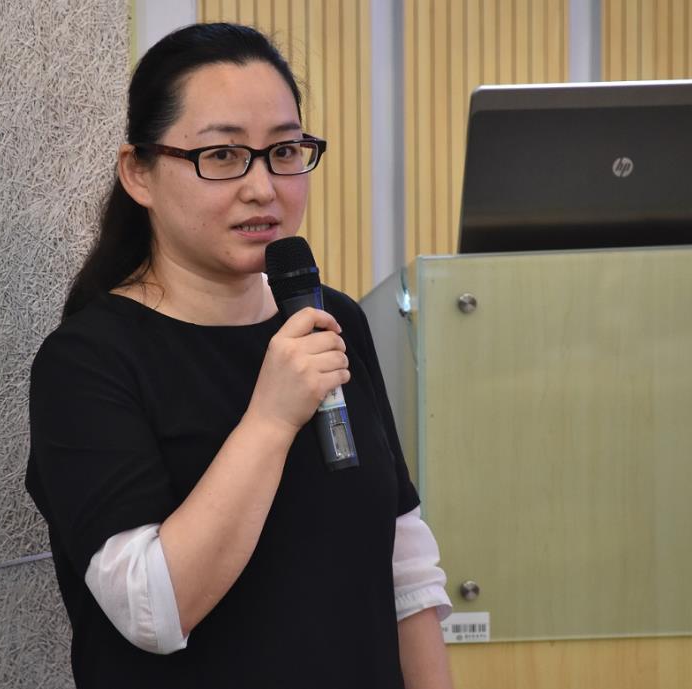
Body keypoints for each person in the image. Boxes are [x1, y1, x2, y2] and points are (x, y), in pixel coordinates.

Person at [27, 22, 453, 689]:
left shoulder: (331, 318)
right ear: (139, 172)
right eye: (223, 155)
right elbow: (154, 610)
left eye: (283, 151)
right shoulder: (87, 362)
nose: (263, 187)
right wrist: (271, 419)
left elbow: (405, 564)